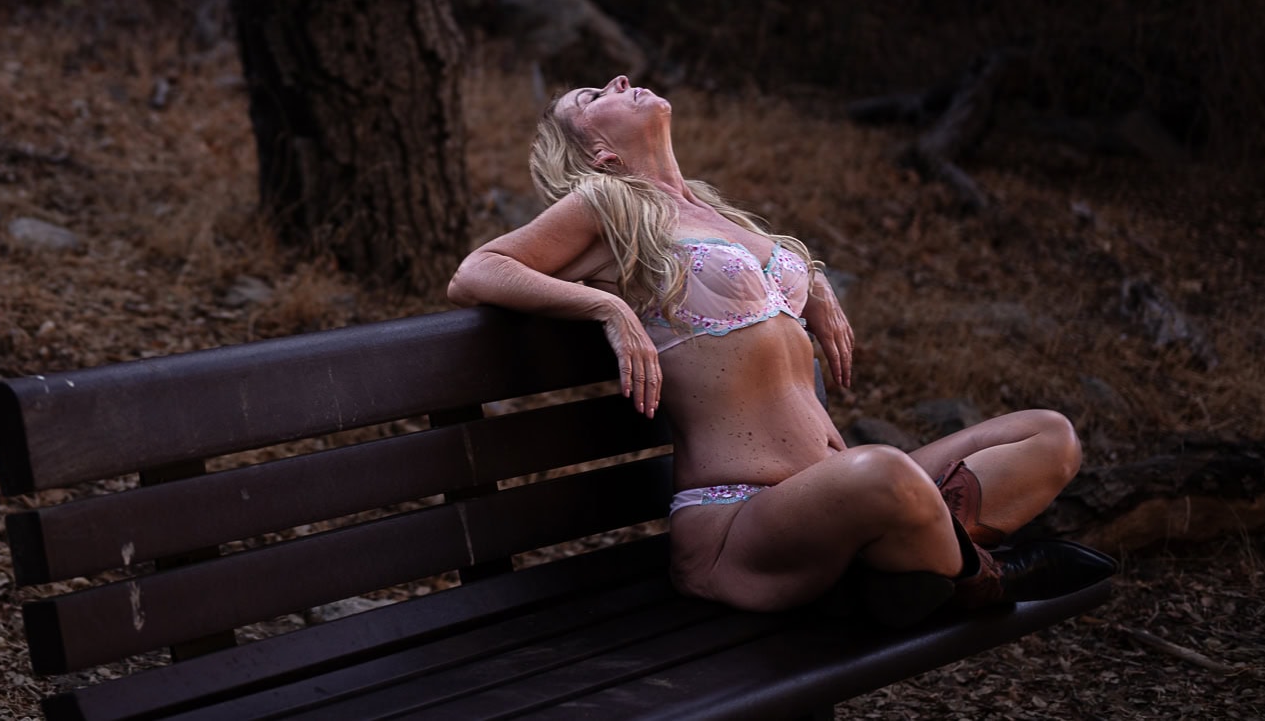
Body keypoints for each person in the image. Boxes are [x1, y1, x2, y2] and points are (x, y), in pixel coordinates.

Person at [447, 75, 1113, 624]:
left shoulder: (717, 213)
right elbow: (476, 271)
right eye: (591, 99)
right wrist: (607, 305)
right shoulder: (609, 207)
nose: (617, 81)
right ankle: (985, 579)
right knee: (885, 473)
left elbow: (756, 288)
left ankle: (918, 555)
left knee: (1049, 436)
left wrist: (811, 282)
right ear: (597, 153)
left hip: (831, 492)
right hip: (742, 520)